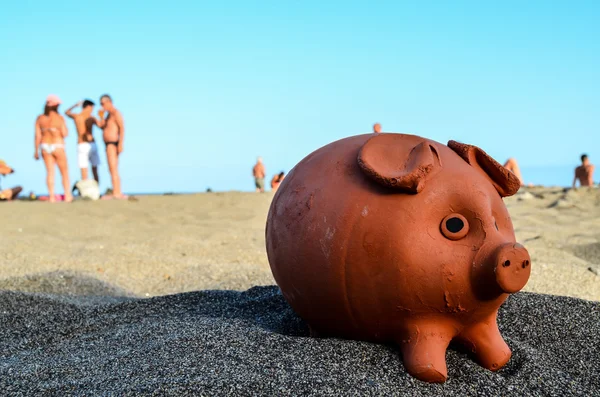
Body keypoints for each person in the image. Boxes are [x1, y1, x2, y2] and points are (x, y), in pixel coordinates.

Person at [34, 95, 73, 203]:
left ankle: (51, 197)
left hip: (45, 146)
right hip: (58, 144)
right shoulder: (59, 118)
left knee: (50, 173)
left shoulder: (40, 118)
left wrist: (36, 151)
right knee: (64, 172)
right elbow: (65, 133)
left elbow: (37, 136)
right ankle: (68, 195)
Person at [96, 94, 127, 199]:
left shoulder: (116, 113)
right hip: (108, 144)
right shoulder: (108, 115)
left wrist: (121, 144)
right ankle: (116, 191)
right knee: (112, 169)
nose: (102, 106)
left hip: (113, 143)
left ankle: (117, 192)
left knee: (113, 168)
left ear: (109, 102)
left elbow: (122, 128)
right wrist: (100, 116)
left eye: (103, 104)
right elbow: (101, 126)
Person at [65, 99, 100, 183]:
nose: (92, 110)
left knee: (89, 168)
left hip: (85, 144)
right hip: (86, 143)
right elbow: (101, 126)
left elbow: (67, 112)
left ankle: (93, 190)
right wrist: (76, 105)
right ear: (88, 106)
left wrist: (75, 105)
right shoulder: (89, 117)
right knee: (88, 168)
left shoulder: (79, 117)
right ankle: (89, 189)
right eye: (92, 108)